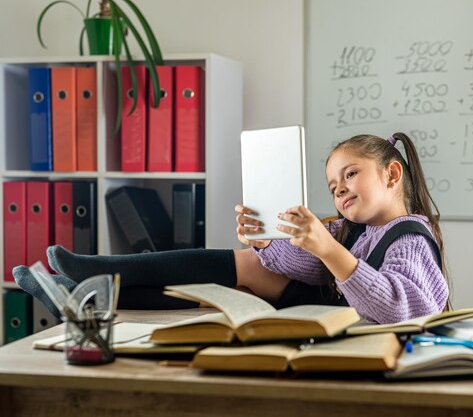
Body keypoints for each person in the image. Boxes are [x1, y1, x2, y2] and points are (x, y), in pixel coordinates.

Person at [14, 132, 449, 324]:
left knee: (242, 278)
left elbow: (401, 307)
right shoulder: (351, 230)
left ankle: (93, 279)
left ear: (393, 175)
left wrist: (329, 252)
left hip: (359, 335)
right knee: (245, 273)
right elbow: (307, 267)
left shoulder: (410, 236)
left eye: (351, 175)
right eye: (334, 186)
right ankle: (82, 293)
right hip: (325, 312)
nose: (340, 191)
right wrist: (269, 240)